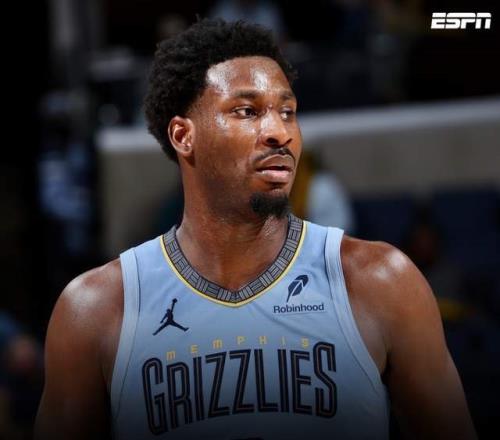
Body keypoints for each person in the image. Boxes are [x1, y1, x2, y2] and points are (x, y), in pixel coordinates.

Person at [35, 19, 477, 440]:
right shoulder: (95, 310)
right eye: (247, 111)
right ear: (183, 136)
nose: (278, 132)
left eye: (287, 112)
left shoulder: (380, 282)